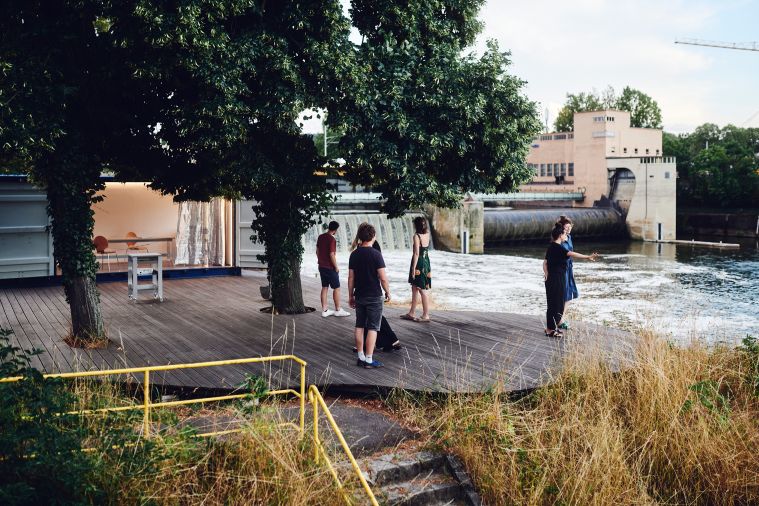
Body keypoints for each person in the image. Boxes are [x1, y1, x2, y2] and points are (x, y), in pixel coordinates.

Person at [348, 223, 391, 369]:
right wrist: (388, 292)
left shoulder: (354, 254)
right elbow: (383, 278)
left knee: (359, 325)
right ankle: (369, 359)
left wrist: (350, 296)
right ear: (372, 236)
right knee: (373, 327)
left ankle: (360, 356)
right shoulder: (376, 254)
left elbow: (351, 278)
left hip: (359, 294)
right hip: (374, 296)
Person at [316, 221, 350, 318]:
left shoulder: (321, 237)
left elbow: (317, 251)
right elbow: (332, 254)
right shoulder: (332, 240)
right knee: (336, 288)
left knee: (325, 287)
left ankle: (325, 310)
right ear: (335, 230)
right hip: (330, 267)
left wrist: (320, 260)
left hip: (321, 266)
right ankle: (338, 309)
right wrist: (336, 267)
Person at [401, 217, 432, 322]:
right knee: (415, 288)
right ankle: (411, 313)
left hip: (419, 263)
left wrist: (413, 268)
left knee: (422, 290)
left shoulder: (416, 236)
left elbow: (416, 253)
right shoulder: (427, 234)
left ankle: (426, 315)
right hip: (426, 262)